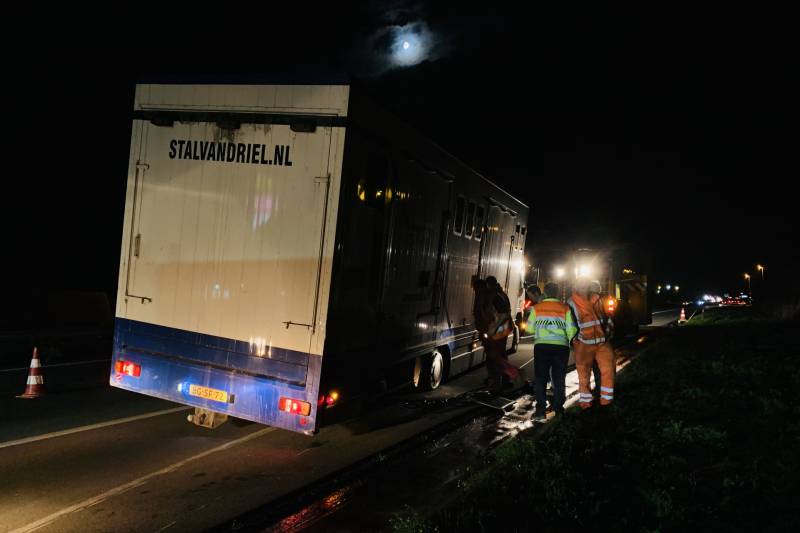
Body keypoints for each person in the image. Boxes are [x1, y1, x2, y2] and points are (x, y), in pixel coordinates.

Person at [530, 282, 577, 421]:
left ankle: (540, 412)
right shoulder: (565, 308)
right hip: (561, 348)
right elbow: (573, 329)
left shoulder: (537, 308)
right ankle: (559, 409)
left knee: (540, 378)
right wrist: (565, 339)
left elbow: (529, 329)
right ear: (557, 293)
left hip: (542, 347)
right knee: (559, 378)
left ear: (545, 293)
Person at [568, 278, 615, 409]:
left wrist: (608, 332)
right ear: (575, 286)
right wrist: (574, 338)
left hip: (601, 342)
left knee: (608, 370)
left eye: (585, 284)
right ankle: (586, 403)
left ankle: (606, 401)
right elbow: (570, 323)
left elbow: (606, 318)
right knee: (584, 375)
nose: (583, 286)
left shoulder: (597, 299)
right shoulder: (571, 302)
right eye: (581, 284)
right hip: (583, 343)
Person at [476, 276, 519, 392]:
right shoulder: (500, 294)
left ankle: (500, 379)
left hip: (498, 331)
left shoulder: (495, 296)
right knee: (497, 355)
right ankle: (502, 379)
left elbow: (503, 314)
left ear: (488, 285)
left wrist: (492, 329)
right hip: (500, 330)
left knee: (494, 355)